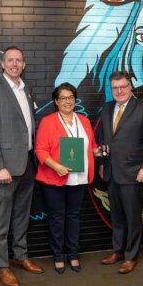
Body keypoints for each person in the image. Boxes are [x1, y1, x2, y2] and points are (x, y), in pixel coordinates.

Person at [0, 46, 44, 286]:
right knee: (2, 219)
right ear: (2, 64)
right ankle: (2, 265)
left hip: (27, 163)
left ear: (24, 65)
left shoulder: (25, 89)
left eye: (19, 60)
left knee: (21, 215)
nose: (15, 64)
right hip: (4, 168)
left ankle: (20, 256)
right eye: (10, 60)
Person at [97, 71, 143, 274]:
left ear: (130, 86)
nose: (119, 91)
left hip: (134, 173)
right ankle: (118, 250)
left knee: (132, 218)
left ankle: (131, 256)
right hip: (111, 172)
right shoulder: (107, 108)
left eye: (123, 87)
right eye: (115, 88)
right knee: (117, 217)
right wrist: (103, 163)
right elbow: (104, 140)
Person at [35, 83, 100, 273]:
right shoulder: (48, 121)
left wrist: (98, 151)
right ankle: (58, 255)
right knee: (57, 219)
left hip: (79, 178)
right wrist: (56, 166)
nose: (67, 101)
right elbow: (40, 150)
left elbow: (92, 146)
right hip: (55, 178)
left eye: (71, 97)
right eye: (63, 98)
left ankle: (72, 253)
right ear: (56, 101)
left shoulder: (84, 121)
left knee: (74, 217)